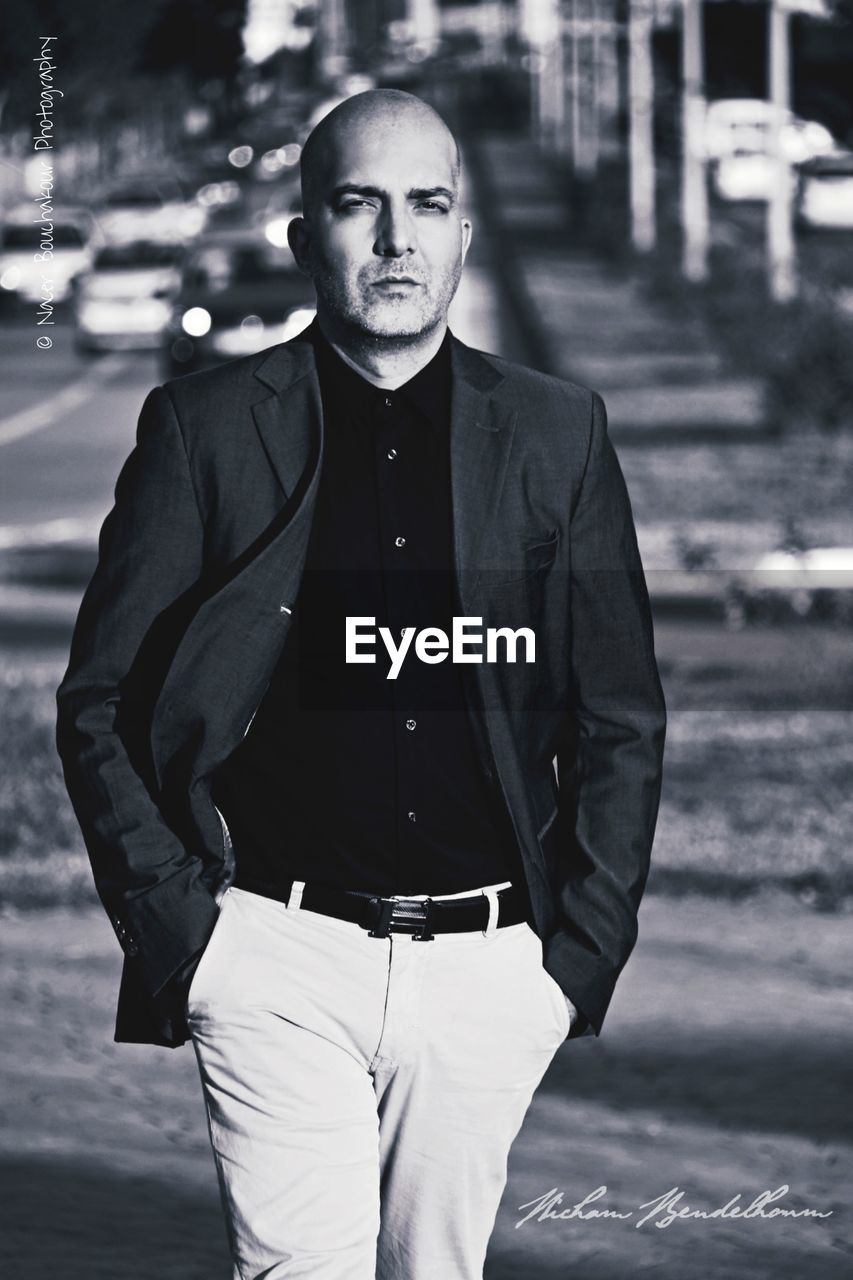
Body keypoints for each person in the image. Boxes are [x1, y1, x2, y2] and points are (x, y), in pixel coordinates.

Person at [56, 89, 666, 1280]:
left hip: (493, 965)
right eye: (359, 205)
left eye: (427, 205)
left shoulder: (557, 433)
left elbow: (619, 712)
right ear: (304, 237)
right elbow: (99, 701)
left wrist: (575, 957)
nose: (396, 239)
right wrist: (190, 935)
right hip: (272, 955)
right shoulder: (203, 428)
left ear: (462, 236)